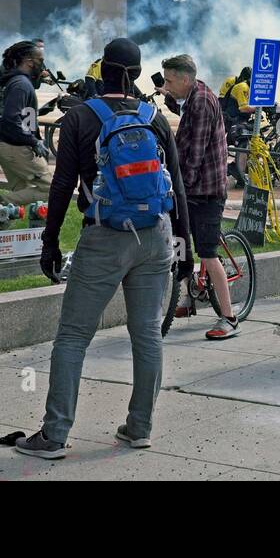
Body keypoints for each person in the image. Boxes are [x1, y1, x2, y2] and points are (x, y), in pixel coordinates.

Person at [18, 39, 191, 458]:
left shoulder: (79, 118)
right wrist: (184, 245)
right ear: (136, 73)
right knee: (147, 333)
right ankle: (139, 427)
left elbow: (61, 186)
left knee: (74, 336)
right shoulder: (155, 118)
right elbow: (178, 184)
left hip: (105, 234)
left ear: (102, 70)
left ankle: (55, 434)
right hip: (156, 234)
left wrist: (50, 241)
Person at [158, 53, 237, 340]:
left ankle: (228, 317)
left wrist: (182, 186)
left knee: (207, 251)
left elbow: (196, 151)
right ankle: (187, 298)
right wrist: (166, 96)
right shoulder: (193, 97)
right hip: (194, 187)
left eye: (169, 80)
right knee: (181, 240)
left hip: (206, 190)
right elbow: (184, 117)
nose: (167, 84)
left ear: (185, 79)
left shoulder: (202, 100)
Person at [0, 40, 52, 209]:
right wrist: (33, 141)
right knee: (51, 189)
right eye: (41, 61)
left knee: (20, 195)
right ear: (29, 62)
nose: (43, 66)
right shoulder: (21, 84)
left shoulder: (18, 81)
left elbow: (19, 115)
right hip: (15, 147)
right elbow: (11, 120)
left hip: (7, 144)